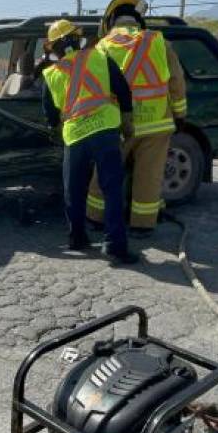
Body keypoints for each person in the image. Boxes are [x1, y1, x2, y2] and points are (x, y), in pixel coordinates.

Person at [86, 0, 188, 236]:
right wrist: (180, 114)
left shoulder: (103, 46)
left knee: (105, 173)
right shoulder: (159, 42)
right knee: (149, 176)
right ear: (139, 22)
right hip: (156, 124)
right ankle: (142, 225)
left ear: (111, 22)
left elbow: (94, 86)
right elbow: (176, 81)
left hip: (118, 124)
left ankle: (96, 219)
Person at [40, 19, 139, 264]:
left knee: (74, 190)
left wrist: (55, 128)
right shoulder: (100, 58)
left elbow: (50, 114)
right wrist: (127, 124)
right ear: (78, 38)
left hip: (75, 137)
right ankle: (115, 245)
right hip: (105, 130)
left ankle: (77, 238)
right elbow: (124, 92)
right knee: (112, 189)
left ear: (53, 48)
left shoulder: (52, 74)